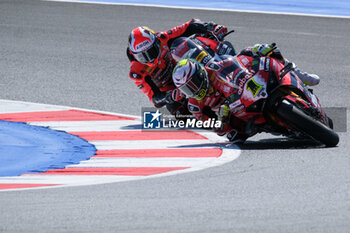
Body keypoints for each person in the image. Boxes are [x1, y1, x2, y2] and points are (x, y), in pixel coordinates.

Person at [171, 47, 320, 143]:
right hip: (238, 114)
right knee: (237, 138)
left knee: (261, 51)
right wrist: (222, 120)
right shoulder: (195, 106)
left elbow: (236, 61)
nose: (193, 90)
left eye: (193, 83)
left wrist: (253, 53)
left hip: (246, 90)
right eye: (187, 89)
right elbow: (216, 128)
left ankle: (298, 74)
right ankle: (282, 127)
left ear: (200, 73)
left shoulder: (213, 68)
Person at [127, 19, 234, 116]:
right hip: (173, 89)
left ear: (156, 43)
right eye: (141, 56)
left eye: (151, 52)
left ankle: (232, 69)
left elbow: (189, 26)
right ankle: (217, 117)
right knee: (178, 112)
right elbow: (155, 99)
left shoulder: (162, 38)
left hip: (186, 69)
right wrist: (169, 96)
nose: (148, 58)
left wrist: (211, 27)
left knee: (200, 42)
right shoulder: (137, 73)